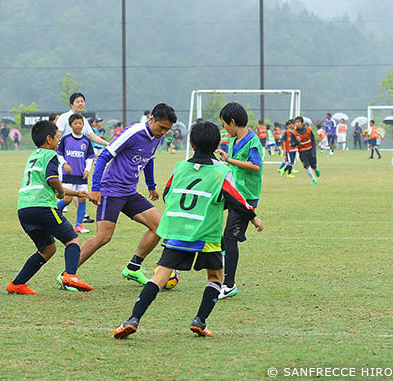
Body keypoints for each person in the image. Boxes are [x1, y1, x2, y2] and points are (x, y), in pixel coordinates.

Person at [113, 119, 263, 339]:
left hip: (178, 230)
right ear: (216, 146)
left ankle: (132, 319)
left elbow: (167, 193)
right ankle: (199, 321)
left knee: (159, 277)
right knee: (215, 278)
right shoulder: (221, 172)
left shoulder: (180, 168)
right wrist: (253, 217)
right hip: (206, 233)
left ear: (191, 143)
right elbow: (237, 200)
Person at [77, 103, 177, 288]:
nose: (163, 133)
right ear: (151, 119)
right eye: (161, 128)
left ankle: (133, 267)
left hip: (130, 191)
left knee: (160, 227)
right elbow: (104, 156)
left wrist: (151, 185)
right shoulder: (134, 132)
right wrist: (96, 188)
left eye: (167, 130)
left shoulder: (156, 137)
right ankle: (68, 273)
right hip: (111, 190)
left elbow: (149, 160)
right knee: (103, 237)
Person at [6, 120, 92, 295]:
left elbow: (49, 182)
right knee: (72, 240)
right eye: (57, 138)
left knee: (47, 249)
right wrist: (60, 192)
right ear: (48, 139)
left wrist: (75, 194)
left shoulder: (33, 155)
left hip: (24, 209)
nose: (58, 141)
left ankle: (17, 284)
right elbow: (52, 179)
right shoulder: (50, 155)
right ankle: (70, 275)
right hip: (42, 207)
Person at [215, 102, 263, 299]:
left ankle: (229, 285)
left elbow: (255, 166)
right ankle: (223, 259)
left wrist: (229, 160)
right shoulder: (234, 140)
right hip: (233, 192)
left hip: (246, 196)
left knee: (230, 237)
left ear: (233, 122)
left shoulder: (253, 141)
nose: (224, 128)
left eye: (225, 124)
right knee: (213, 211)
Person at [56, 113, 95, 233]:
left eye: (80, 123)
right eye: (75, 123)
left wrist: (87, 169)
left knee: (82, 197)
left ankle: (78, 225)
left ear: (83, 125)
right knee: (67, 199)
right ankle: (53, 211)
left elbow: (90, 157)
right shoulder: (65, 139)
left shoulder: (86, 141)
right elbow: (59, 153)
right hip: (68, 175)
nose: (78, 126)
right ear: (70, 125)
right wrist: (64, 164)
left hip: (81, 175)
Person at [291, 116, 319, 184]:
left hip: (310, 150)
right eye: (295, 123)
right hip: (302, 152)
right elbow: (292, 144)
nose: (297, 124)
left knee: (313, 165)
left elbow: (313, 140)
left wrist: (313, 150)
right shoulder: (294, 133)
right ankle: (313, 179)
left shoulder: (308, 129)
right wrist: (297, 142)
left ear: (302, 123)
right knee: (306, 166)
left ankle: (316, 169)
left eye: (298, 122)